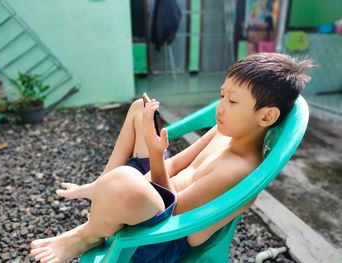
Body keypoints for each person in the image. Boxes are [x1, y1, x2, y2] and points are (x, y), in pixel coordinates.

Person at [30, 53, 313, 263]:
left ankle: (88, 234)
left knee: (123, 182)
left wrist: (153, 155)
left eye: (233, 101)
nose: (220, 108)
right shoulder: (224, 132)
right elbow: (176, 164)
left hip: (159, 234)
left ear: (266, 116)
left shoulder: (238, 169)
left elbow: (174, 212)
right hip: (154, 194)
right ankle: (101, 189)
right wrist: (153, 159)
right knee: (140, 109)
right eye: (221, 95)